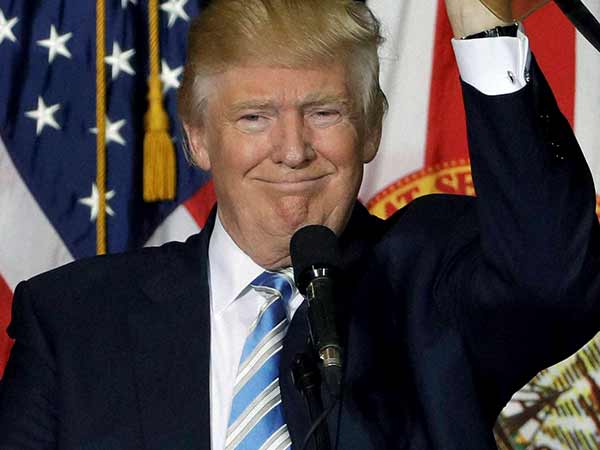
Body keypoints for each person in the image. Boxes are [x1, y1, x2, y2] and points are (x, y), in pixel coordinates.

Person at [1, 0, 598, 449]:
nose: (292, 151)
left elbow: (551, 280)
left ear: (372, 128)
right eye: (254, 117)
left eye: (324, 112)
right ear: (197, 137)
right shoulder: (73, 321)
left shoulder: (430, 281)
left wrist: (482, 26)